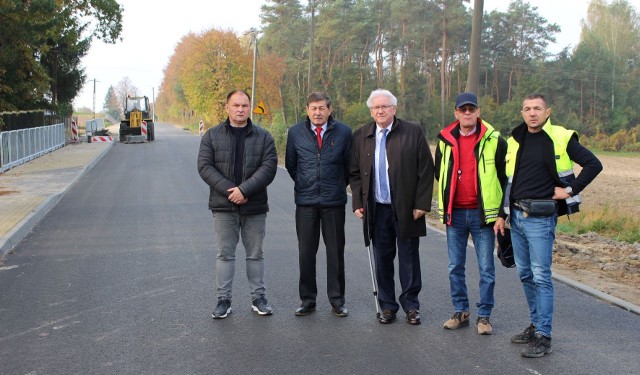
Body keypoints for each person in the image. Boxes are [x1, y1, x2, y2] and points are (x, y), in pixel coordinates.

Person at [494, 94, 602, 357]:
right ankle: (535, 325)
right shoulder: (515, 139)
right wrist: (501, 214)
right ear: (522, 112)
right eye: (528, 109)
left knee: (541, 276)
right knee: (525, 274)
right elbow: (510, 181)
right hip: (516, 217)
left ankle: (544, 335)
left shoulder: (562, 137)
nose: (532, 113)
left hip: (541, 218)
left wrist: (570, 189)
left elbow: (593, 164)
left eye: (538, 109)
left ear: (547, 111)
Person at [350, 89, 435, 325]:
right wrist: (358, 201)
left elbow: (426, 170)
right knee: (382, 258)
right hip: (377, 207)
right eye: (376, 107)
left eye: (385, 107)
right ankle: (387, 306)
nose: (380, 111)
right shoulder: (361, 135)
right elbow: (354, 172)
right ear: (371, 111)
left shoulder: (412, 131)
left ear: (394, 109)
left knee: (408, 258)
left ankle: (411, 306)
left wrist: (421, 203)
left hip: (407, 208)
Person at [197, 89, 278, 319]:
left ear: (249, 107)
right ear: (227, 108)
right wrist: (230, 191)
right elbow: (205, 167)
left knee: (255, 254)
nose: (240, 109)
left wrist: (245, 190)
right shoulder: (211, 136)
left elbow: (269, 168)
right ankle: (223, 300)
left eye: (244, 105)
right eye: (236, 105)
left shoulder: (264, 137)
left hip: (254, 206)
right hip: (224, 206)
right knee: (225, 255)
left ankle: (258, 299)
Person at [435, 92, 507, 335]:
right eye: (462, 109)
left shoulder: (495, 140)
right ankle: (461, 311)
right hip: (455, 214)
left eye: (471, 109)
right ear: (456, 113)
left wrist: (501, 213)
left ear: (478, 112)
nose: (467, 113)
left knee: (486, 268)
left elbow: (504, 179)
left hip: (483, 216)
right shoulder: (445, 140)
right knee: (455, 266)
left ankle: (484, 316)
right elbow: (439, 173)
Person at [285, 92, 353, 317]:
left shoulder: (343, 132)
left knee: (335, 252)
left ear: (329, 109)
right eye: (313, 108)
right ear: (307, 109)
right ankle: (307, 300)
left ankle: (337, 300)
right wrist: (307, 183)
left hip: (333, 202)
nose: (317, 112)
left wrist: (335, 185)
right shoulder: (295, 133)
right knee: (306, 252)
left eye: (322, 108)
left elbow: (349, 165)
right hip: (305, 202)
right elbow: (291, 165)